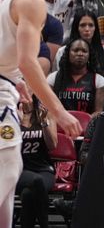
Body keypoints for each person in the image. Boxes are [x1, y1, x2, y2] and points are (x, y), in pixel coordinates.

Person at [0, 0, 81, 227]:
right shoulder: (33, 1)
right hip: (2, 89)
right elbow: (28, 61)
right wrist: (59, 113)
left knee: (8, 176)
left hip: (7, 82)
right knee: (8, 171)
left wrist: (17, 81)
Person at [15, 96, 57, 228]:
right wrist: (15, 123)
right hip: (19, 171)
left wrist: (44, 122)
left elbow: (52, 145)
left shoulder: (46, 114)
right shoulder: (11, 116)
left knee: (28, 195)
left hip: (44, 169)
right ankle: (45, 225)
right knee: (36, 181)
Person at [47, 37, 104, 114]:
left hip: (88, 124)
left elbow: (98, 112)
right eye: (76, 50)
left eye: (84, 51)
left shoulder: (98, 80)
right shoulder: (53, 78)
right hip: (59, 123)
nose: (80, 54)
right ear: (68, 53)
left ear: (89, 55)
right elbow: (48, 108)